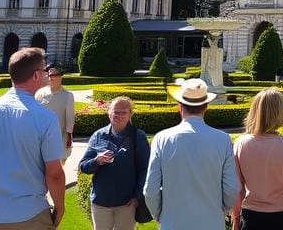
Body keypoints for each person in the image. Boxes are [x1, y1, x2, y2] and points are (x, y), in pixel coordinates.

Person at [0, 47, 65, 229]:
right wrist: (60, 207)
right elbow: (54, 174)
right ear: (35, 76)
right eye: (44, 71)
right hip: (30, 213)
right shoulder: (45, 117)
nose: (47, 75)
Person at [144, 78, 239, 230]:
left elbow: (150, 190)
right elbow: (232, 188)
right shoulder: (222, 139)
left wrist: (160, 215)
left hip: (173, 222)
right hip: (211, 222)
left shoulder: (162, 138)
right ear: (206, 107)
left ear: (179, 106)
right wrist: (220, 210)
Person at [231, 88, 283, 230]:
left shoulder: (241, 144)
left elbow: (237, 188)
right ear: (281, 112)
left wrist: (235, 217)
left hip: (251, 217)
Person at [79, 96, 149, 230]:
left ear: (130, 114)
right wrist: (97, 161)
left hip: (127, 204)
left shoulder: (138, 137)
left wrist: (137, 197)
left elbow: (145, 169)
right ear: (109, 112)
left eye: (124, 112)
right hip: (100, 202)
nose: (119, 115)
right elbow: (83, 166)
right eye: (116, 111)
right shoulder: (98, 135)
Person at [35, 65, 75, 164]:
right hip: (41, 136)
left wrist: (69, 136)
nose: (51, 78)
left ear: (61, 77)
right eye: (49, 75)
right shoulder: (40, 93)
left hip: (59, 136)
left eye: (54, 75)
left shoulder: (67, 96)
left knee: (59, 163)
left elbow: (70, 117)